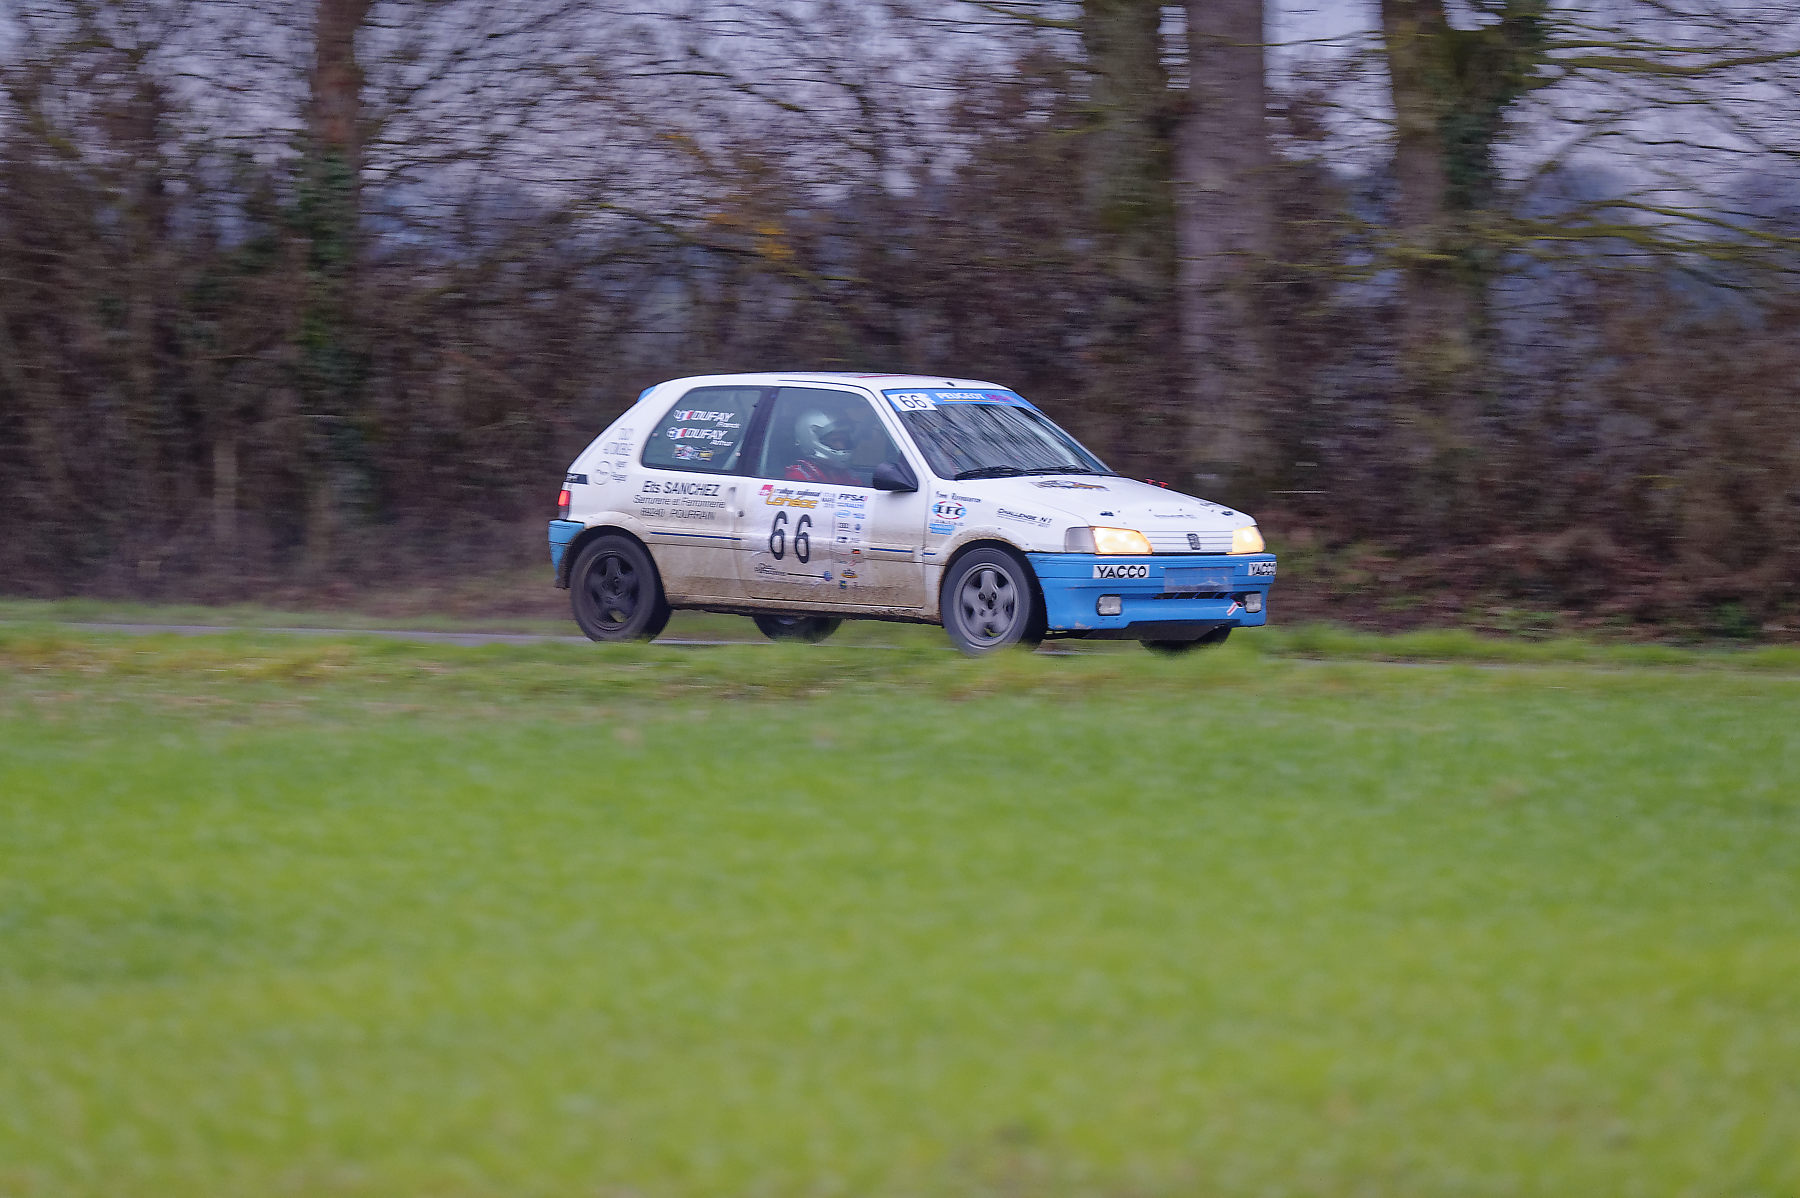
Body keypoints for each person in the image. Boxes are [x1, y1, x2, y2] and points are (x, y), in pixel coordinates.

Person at [785, 408, 863, 485]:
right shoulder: (799, 475)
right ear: (809, 439)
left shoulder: (845, 473)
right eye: (834, 441)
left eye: (844, 440)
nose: (841, 446)